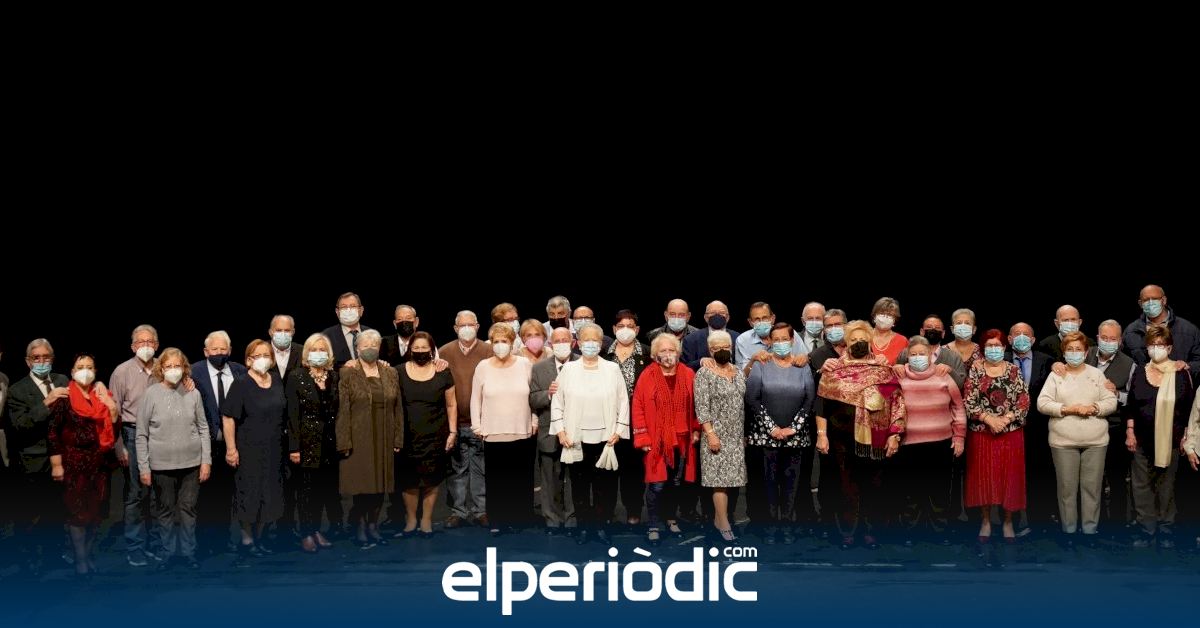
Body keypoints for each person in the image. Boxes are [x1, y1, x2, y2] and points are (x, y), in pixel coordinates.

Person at [814, 321, 906, 549]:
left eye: (863, 339)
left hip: (875, 440)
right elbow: (821, 405)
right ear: (846, 343)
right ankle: (847, 532)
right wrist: (822, 435)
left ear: (870, 341)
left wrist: (894, 435)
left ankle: (871, 532)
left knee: (874, 486)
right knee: (846, 488)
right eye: (853, 340)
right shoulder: (833, 370)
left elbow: (897, 403)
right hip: (841, 440)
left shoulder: (883, 369)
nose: (858, 343)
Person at [551, 323, 629, 545]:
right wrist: (560, 431)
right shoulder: (568, 370)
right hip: (576, 438)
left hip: (606, 438)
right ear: (578, 343)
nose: (591, 344)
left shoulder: (612, 369)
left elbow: (623, 401)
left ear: (601, 344)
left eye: (595, 340)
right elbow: (558, 402)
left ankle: (602, 526)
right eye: (586, 340)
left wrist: (619, 430)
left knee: (605, 486)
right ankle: (584, 527)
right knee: (580, 485)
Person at [1036, 331, 1117, 543]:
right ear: (1063, 352)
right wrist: (1067, 409)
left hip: (1095, 441)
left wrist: (1094, 408)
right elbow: (1042, 403)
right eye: (1070, 349)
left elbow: (1111, 401)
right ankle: (1069, 531)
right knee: (1067, 489)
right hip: (1063, 442)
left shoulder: (1096, 375)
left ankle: (1090, 531)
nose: (1074, 353)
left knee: (1092, 489)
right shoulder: (1056, 375)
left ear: (1086, 352)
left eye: (1078, 349)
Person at [136, 348, 210, 570]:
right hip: (161, 464)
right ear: (161, 369)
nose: (173, 370)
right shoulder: (151, 394)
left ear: (184, 368)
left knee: (188, 509)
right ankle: (167, 553)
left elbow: (203, 428)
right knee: (165, 510)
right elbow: (141, 433)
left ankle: (188, 553)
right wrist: (144, 467)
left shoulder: (193, 393)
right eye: (169, 366)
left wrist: (206, 461)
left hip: (192, 463)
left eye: (177, 366)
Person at [1124, 324, 1195, 549]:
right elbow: (1132, 405)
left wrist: (1186, 436)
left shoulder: (1181, 372)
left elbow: (1189, 408)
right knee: (1141, 486)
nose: (1156, 348)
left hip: (1171, 440)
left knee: (1166, 487)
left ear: (1170, 348)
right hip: (1141, 439)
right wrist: (1130, 431)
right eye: (1152, 344)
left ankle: (1166, 530)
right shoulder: (1139, 371)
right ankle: (1146, 530)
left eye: (1161, 345)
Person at [49, 353, 117, 577]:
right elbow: (53, 433)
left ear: (95, 371)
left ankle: (88, 555)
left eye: (89, 367)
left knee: (97, 513)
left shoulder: (102, 395)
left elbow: (114, 429)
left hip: (100, 464)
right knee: (77, 514)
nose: (85, 371)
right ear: (72, 372)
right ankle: (80, 560)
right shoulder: (64, 398)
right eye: (80, 367)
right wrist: (57, 464)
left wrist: (111, 407)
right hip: (74, 463)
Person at [4, 339, 69, 574]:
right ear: (27, 361)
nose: (42, 361)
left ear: (52, 358)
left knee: (57, 511)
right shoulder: (17, 389)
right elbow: (20, 425)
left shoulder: (62, 380)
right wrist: (46, 402)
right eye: (36, 358)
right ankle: (28, 561)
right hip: (33, 460)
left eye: (46, 357)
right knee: (30, 514)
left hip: (61, 459)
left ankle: (54, 557)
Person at [963, 330, 1029, 559]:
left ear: (1004, 348)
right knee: (985, 477)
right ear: (983, 348)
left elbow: (1023, 401)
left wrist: (1005, 420)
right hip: (983, 433)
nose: (994, 349)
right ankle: (986, 521)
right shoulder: (976, 370)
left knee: (1008, 478)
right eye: (989, 345)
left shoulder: (1013, 370)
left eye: (997, 345)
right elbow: (969, 401)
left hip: (1010, 434)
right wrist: (989, 419)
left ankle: (1008, 522)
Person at [746, 324, 814, 545]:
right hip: (766, 436)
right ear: (770, 342)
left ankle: (787, 525)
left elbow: (809, 399)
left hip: (795, 437)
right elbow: (752, 398)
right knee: (768, 483)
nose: (780, 343)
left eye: (784, 339)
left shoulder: (802, 366)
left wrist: (793, 428)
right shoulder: (761, 365)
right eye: (776, 339)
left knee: (791, 485)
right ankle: (770, 526)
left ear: (792, 340)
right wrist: (772, 428)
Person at [894, 335, 965, 545]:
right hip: (908, 444)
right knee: (911, 491)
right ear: (907, 356)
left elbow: (958, 407)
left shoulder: (944, 376)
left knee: (939, 490)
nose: (918, 357)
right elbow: (891, 408)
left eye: (922, 354)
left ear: (930, 355)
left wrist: (959, 437)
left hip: (941, 443)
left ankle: (939, 531)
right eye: (913, 354)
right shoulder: (898, 376)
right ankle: (910, 532)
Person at [221, 340, 287, 563]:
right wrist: (231, 449)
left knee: (270, 494)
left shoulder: (276, 380)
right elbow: (228, 417)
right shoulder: (241, 383)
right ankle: (247, 540)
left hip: (274, 449)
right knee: (249, 495)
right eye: (257, 355)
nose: (263, 359)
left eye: (267, 355)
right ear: (248, 360)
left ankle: (260, 537)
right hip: (249, 449)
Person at [632, 333, 701, 545]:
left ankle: (671, 518)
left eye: (671, 350)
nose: (668, 354)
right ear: (655, 354)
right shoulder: (647, 375)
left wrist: (696, 429)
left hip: (682, 439)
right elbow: (638, 406)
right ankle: (653, 524)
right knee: (657, 484)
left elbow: (697, 405)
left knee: (675, 483)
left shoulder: (688, 373)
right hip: (656, 440)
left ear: (678, 352)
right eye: (663, 350)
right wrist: (643, 437)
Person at [337, 330, 403, 548]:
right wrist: (344, 441)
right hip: (359, 435)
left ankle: (373, 525)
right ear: (357, 348)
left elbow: (398, 408)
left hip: (384, 434)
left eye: (374, 344)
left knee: (381, 484)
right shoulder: (348, 373)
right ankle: (360, 525)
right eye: (365, 345)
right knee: (363, 484)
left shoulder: (390, 372)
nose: (370, 348)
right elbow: (343, 409)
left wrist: (398, 438)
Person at [472, 322, 536, 535]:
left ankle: (520, 519)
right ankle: (498, 520)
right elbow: (475, 399)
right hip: (493, 431)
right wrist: (477, 425)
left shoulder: (524, 364)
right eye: (496, 341)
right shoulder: (483, 366)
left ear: (512, 342)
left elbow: (533, 395)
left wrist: (535, 420)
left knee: (520, 478)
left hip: (522, 430)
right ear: (491, 343)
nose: (500, 345)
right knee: (497, 479)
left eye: (504, 341)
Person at [109, 324, 163, 566]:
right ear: (133, 347)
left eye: (150, 342)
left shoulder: (164, 367)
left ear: (157, 345)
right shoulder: (121, 372)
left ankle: (156, 543)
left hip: (160, 435)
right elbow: (114, 413)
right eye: (141, 342)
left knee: (158, 493)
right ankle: (135, 546)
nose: (146, 346)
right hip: (131, 433)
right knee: (135, 493)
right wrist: (119, 446)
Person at [191, 331, 248, 555]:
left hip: (235, 443)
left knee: (229, 493)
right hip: (207, 443)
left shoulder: (240, 371)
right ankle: (204, 543)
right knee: (205, 495)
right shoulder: (194, 372)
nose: (219, 353)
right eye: (214, 349)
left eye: (223, 349)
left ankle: (225, 541)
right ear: (206, 352)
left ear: (230, 351)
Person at [395, 332, 456, 538]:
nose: (420, 351)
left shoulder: (443, 371)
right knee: (409, 480)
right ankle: (411, 519)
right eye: (416, 348)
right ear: (410, 350)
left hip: (436, 434)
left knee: (432, 479)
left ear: (432, 350)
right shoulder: (398, 372)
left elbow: (451, 404)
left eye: (424, 348)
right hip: (407, 436)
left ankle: (426, 520)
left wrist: (453, 431)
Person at [285, 333, 342, 553]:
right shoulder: (296, 376)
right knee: (306, 491)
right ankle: (306, 533)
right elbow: (292, 415)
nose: (318, 353)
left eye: (322, 350)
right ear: (306, 354)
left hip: (329, 443)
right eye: (314, 350)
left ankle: (316, 530)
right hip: (306, 443)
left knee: (322, 490)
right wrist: (294, 447)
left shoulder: (334, 376)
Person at [439, 310, 493, 529]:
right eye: (462, 325)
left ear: (478, 327)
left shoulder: (489, 351)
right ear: (455, 328)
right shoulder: (444, 352)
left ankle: (481, 510)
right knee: (457, 469)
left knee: (481, 468)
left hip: (483, 422)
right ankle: (459, 511)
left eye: (471, 324)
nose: (467, 328)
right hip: (456, 422)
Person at [694, 330, 746, 544]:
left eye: (725, 346)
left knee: (732, 481)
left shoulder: (738, 372)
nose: (721, 350)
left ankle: (719, 519)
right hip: (715, 435)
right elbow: (701, 407)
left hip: (736, 435)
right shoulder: (704, 373)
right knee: (719, 482)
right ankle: (723, 523)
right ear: (710, 350)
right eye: (716, 348)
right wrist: (710, 434)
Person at [1086, 320, 1137, 532]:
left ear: (1120, 341)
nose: (1108, 342)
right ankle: (1092, 524)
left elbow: (1133, 398)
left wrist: (1116, 393)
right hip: (1085, 427)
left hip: (1114, 428)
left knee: (1116, 479)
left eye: (1113, 339)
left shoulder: (1129, 364)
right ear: (1098, 338)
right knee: (1091, 480)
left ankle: (1117, 526)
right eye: (1104, 338)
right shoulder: (1085, 354)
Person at [604, 309, 652, 530]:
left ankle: (634, 512)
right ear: (614, 329)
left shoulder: (647, 353)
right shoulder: (603, 353)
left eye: (630, 326)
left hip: (637, 422)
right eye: (621, 326)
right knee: (608, 469)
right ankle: (607, 513)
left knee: (634, 470)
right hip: (608, 421)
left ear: (637, 330)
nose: (625, 330)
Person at [530, 327, 578, 535]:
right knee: (550, 478)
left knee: (574, 478)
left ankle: (572, 519)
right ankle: (552, 519)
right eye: (556, 341)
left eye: (565, 340)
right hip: (548, 432)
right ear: (550, 344)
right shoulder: (539, 368)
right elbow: (532, 399)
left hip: (576, 433)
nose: (561, 344)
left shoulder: (582, 364)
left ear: (573, 342)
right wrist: (547, 394)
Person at [1006, 322, 1053, 535]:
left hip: (1039, 428)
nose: (1022, 338)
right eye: (1017, 334)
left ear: (1033, 340)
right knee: (1011, 477)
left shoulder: (1047, 361)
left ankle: (1039, 522)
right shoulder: (1001, 360)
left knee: (1038, 475)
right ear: (1009, 339)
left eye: (1026, 334)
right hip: (1008, 428)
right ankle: (1012, 520)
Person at [1123, 284, 1200, 380]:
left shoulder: (1188, 330)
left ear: (1164, 300)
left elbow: (1198, 361)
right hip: (1143, 385)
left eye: (1154, 298)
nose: (1150, 303)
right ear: (1140, 303)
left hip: (1177, 384)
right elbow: (1124, 363)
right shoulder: (1131, 331)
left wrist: (1187, 366)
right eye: (1146, 300)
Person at [895, 315, 967, 389]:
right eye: (929, 327)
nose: (933, 330)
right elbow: (896, 382)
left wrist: (950, 370)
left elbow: (961, 385)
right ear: (922, 332)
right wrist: (896, 368)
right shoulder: (906, 352)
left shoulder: (954, 357)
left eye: (937, 328)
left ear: (943, 334)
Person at [735, 302, 809, 373]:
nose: (761, 322)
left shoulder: (790, 333)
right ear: (750, 322)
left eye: (765, 318)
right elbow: (742, 375)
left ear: (772, 318)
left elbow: (806, 359)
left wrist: (804, 358)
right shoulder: (743, 340)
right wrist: (752, 361)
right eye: (757, 319)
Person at [323, 292, 373, 368]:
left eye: (353, 306)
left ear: (361, 310)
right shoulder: (326, 336)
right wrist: (344, 367)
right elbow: (323, 366)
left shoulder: (371, 333)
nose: (348, 310)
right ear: (337, 312)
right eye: (344, 307)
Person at [682, 301, 736, 370]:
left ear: (728, 317)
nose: (717, 315)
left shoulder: (737, 338)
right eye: (712, 313)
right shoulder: (691, 339)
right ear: (705, 317)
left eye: (722, 313)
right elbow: (684, 366)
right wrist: (701, 361)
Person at [869, 297, 908, 365]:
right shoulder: (864, 336)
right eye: (882, 313)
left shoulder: (902, 341)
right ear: (874, 315)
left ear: (895, 320)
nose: (885, 317)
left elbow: (907, 365)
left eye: (889, 315)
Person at [268, 315, 303, 379]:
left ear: (293, 332)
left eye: (287, 330)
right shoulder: (260, 350)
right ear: (270, 332)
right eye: (278, 330)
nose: (283, 334)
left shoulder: (302, 351)